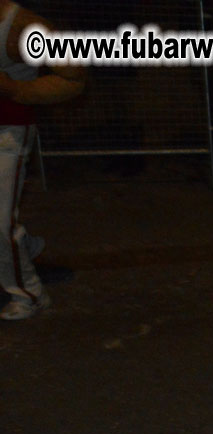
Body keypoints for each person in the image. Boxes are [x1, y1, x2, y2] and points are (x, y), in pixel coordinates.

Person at [0, 0, 85, 321]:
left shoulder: (20, 26)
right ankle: (24, 251)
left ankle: (29, 294)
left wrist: (14, 89)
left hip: (7, 132)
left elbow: (73, 76)